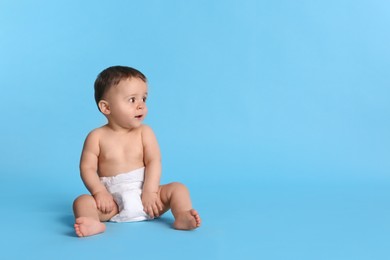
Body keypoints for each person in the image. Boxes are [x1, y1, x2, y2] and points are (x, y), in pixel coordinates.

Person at [73, 66, 201, 237]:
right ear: (106, 108)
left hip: (147, 198)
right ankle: (93, 222)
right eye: (132, 100)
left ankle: (182, 215)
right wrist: (99, 192)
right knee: (81, 202)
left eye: (144, 99)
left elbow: (154, 161)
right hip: (112, 203)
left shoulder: (145, 132)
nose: (141, 106)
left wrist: (151, 190)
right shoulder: (96, 137)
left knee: (178, 189)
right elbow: (87, 168)